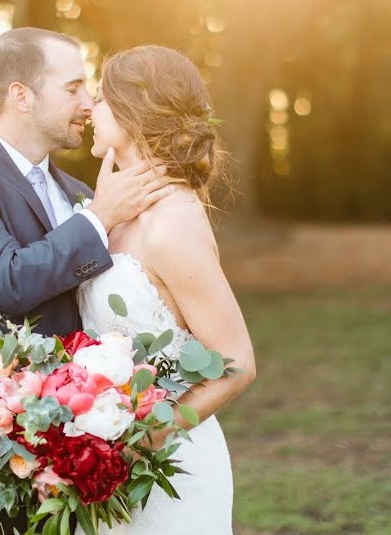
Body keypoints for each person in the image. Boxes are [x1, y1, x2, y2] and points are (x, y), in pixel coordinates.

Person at [0, 28, 173, 535]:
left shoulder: (81, 193)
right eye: (72, 88)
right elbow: (6, 280)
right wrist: (99, 220)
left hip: (64, 462)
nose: (88, 103)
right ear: (21, 95)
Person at [76, 45, 257, 534]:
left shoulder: (171, 224)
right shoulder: (107, 216)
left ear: (135, 111)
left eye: (103, 98)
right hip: (104, 474)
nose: (90, 109)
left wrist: (141, 441)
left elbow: (237, 362)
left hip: (170, 473)